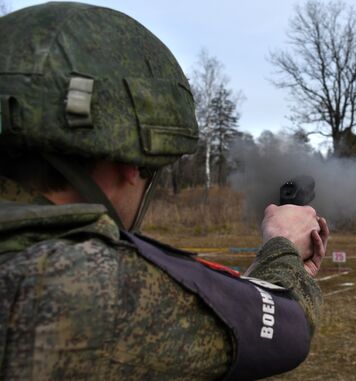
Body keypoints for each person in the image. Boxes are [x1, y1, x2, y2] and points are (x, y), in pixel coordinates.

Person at [0, 3, 329, 381]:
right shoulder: (76, 282)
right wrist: (283, 244)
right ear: (129, 163)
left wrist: (264, 273)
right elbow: (287, 326)